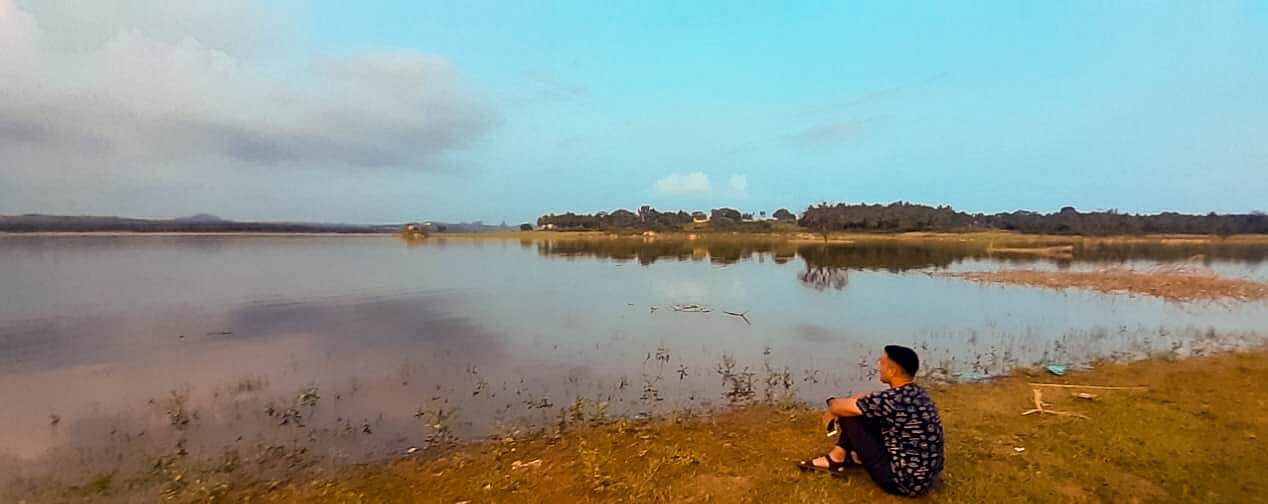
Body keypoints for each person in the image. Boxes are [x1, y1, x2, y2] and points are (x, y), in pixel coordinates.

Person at [797, 345, 944, 497]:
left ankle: (835, 459)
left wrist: (832, 406)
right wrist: (846, 403)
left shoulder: (889, 401)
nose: (878, 367)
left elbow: (839, 406)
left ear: (892, 371)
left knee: (850, 416)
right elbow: (869, 399)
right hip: (926, 477)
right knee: (861, 411)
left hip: (902, 482)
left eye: (881, 364)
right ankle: (840, 455)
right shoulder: (916, 394)